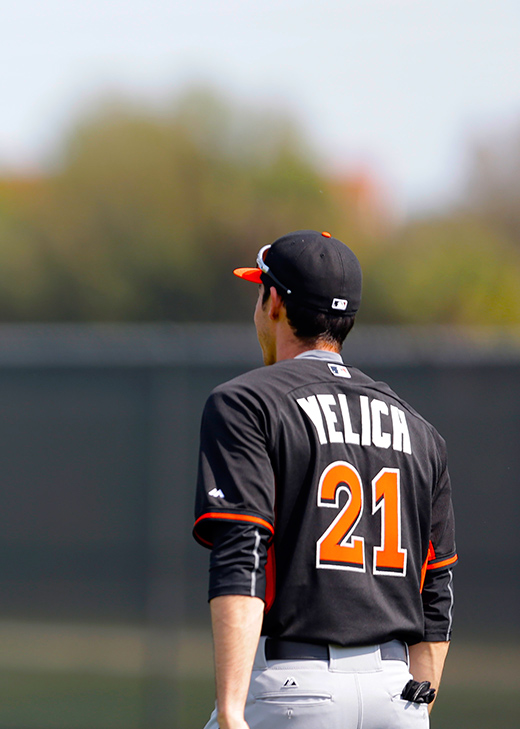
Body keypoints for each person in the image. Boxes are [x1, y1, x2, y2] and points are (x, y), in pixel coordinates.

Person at [192, 230, 456, 729]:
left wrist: (230, 710)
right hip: (397, 695)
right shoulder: (421, 431)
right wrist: (415, 709)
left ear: (273, 302)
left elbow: (242, 550)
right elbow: (435, 586)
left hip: (292, 687)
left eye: (259, 292)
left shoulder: (245, 403)